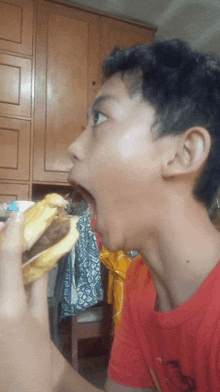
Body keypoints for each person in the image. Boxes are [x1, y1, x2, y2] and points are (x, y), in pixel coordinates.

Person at [1, 38, 220, 392]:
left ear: (184, 152)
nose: (73, 147)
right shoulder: (141, 282)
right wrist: (39, 357)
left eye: (100, 118)